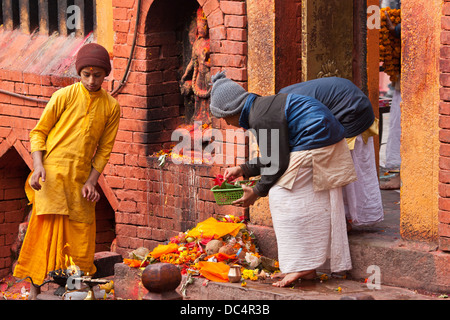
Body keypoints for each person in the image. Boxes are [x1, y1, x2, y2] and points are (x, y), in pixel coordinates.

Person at [209, 71, 357, 287]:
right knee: (289, 193)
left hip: (318, 139)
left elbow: (277, 163)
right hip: (319, 138)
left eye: (224, 117)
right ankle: (304, 267)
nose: (228, 123)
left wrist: (257, 192)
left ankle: (304, 266)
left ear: (233, 109)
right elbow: (275, 156)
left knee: (282, 194)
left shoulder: (260, 116)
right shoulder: (259, 109)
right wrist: (243, 168)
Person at [13, 43, 120, 299]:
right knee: (43, 234)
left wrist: (92, 183)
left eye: (97, 75)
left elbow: (104, 150)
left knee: (82, 235)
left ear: (106, 75)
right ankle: (34, 290)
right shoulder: (64, 96)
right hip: (51, 175)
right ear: (79, 74)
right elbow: (38, 132)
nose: (92, 80)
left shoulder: (112, 107)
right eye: (86, 75)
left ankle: (76, 287)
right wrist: (38, 167)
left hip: (80, 180)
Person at [279, 77, 384, 228]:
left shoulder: (287, 111)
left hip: (353, 112)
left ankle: (346, 218)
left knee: (340, 168)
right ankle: (343, 217)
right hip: (349, 102)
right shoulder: (282, 100)